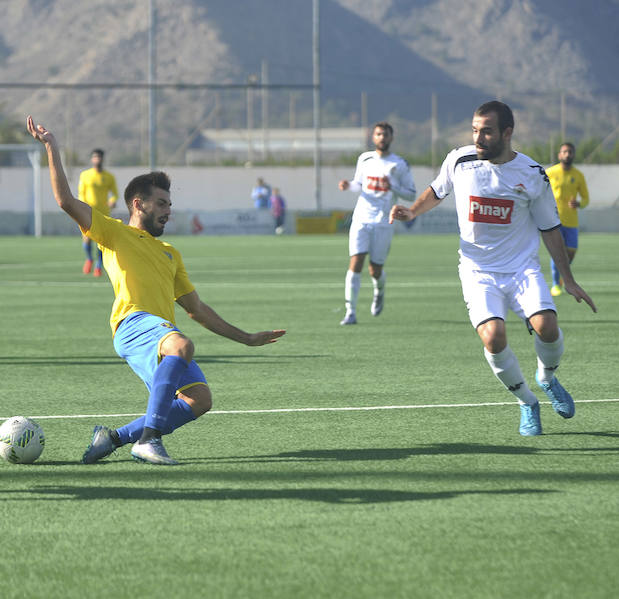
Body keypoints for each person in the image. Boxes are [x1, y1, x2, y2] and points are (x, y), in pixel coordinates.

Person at [27, 116, 286, 465]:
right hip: (133, 323)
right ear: (138, 204)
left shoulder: (170, 253)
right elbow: (65, 200)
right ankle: (148, 441)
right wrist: (52, 147)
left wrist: (247, 338)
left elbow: (196, 309)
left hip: (159, 331)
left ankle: (113, 438)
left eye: (170, 204)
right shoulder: (113, 233)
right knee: (181, 345)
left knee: (199, 400)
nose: (169, 210)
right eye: (162, 203)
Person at [390, 100, 597, 436]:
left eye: (486, 131)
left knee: (547, 326)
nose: (478, 138)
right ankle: (527, 402)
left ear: (507, 133)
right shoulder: (460, 160)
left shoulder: (532, 174)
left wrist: (568, 279)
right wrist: (412, 211)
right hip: (478, 271)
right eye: (474, 130)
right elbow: (437, 190)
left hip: (522, 269)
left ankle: (546, 378)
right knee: (493, 337)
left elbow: (549, 228)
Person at [337, 122, 415, 325]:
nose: (382, 137)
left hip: (383, 222)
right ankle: (350, 312)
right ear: (373, 137)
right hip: (361, 218)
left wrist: (393, 186)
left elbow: (411, 194)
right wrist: (348, 185)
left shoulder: (399, 164)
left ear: (391, 138)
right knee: (356, 262)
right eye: (378, 134)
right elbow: (359, 184)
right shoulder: (365, 158)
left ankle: (379, 290)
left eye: (385, 134)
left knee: (375, 270)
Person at [545, 142, 589, 296]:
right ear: (559, 155)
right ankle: (555, 284)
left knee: (571, 252)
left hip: (571, 221)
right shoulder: (550, 172)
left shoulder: (578, 175)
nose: (567, 154)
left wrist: (579, 203)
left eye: (570, 152)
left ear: (573, 155)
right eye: (565, 151)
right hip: (554, 221)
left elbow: (586, 199)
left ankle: (562, 275)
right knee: (557, 252)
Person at [77, 148, 118, 277]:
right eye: (95, 157)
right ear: (92, 159)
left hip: (103, 214)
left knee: (101, 241)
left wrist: (112, 201)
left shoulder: (109, 177)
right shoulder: (85, 175)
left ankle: (99, 265)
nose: (97, 159)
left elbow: (115, 194)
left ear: (102, 159)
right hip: (88, 213)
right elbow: (81, 193)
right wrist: (83, 207)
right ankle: (89, 259)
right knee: (87, 239)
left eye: (99, 157)